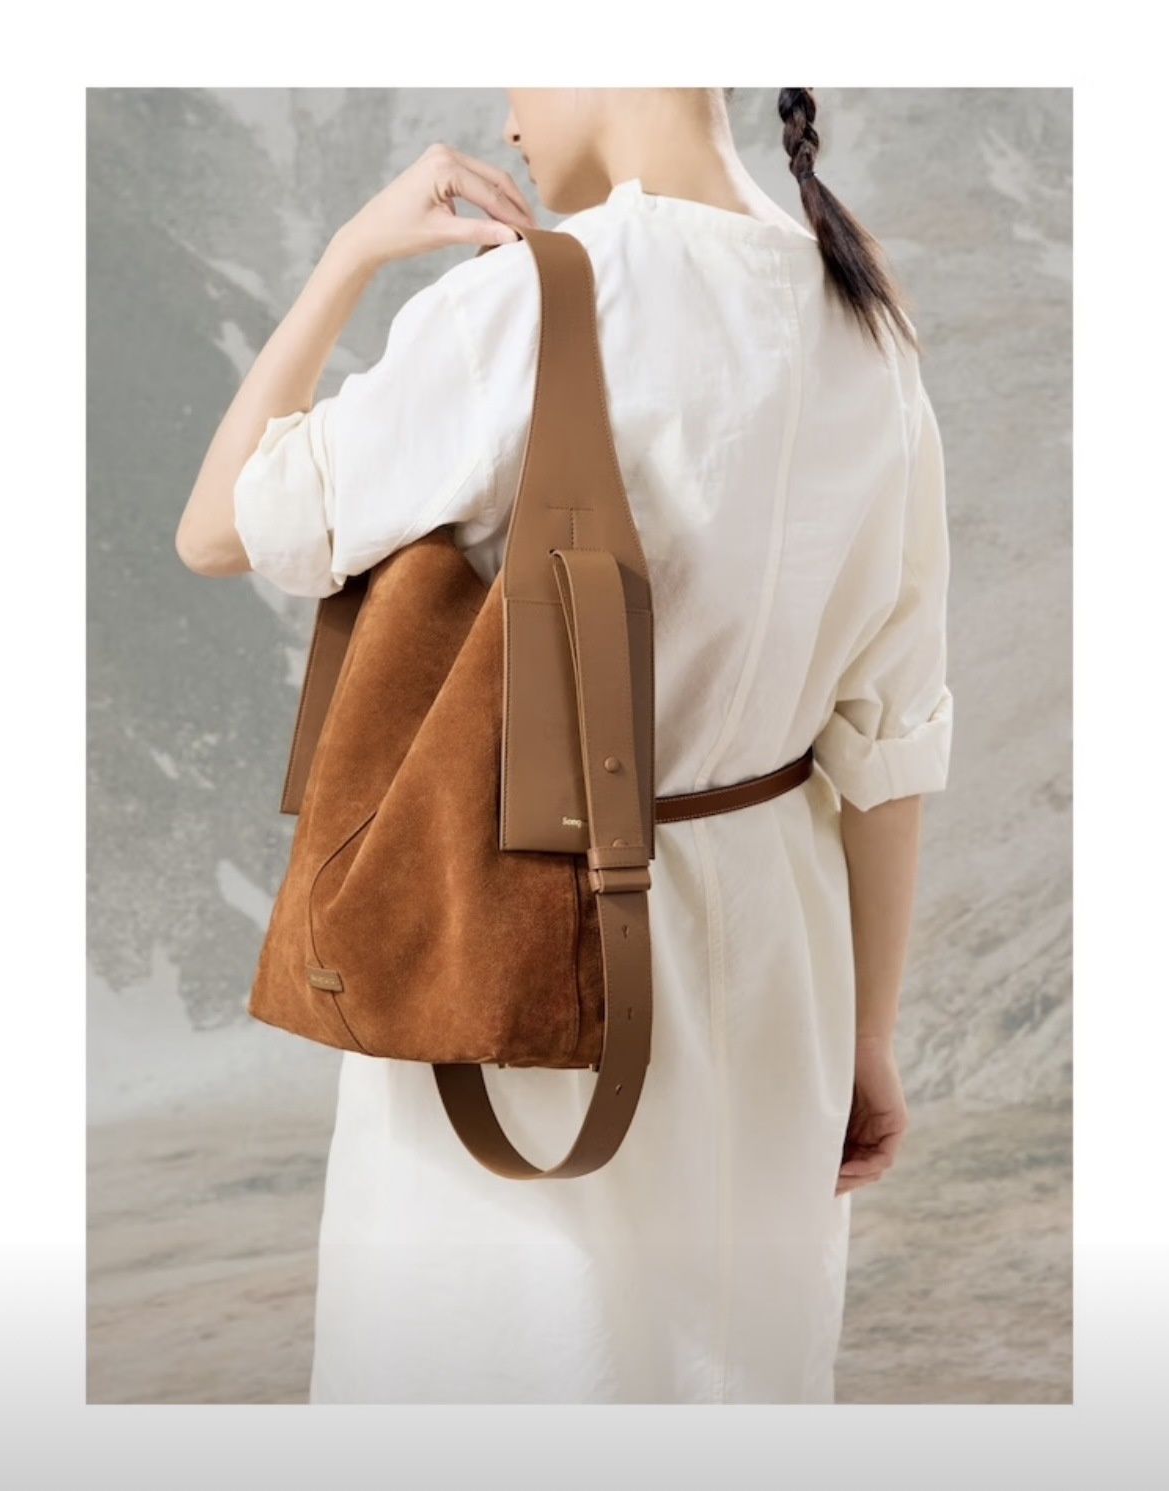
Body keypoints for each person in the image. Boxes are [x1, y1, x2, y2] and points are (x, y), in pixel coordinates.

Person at [175, 87, 954, 1404]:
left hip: (524, 948)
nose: (512, 118)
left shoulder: (529, 306)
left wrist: (350, 254)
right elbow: (889, 737)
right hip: (782, 980)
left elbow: (221, 527)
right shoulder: (867, 321)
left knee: (505, 1373)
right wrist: (868, 1038)